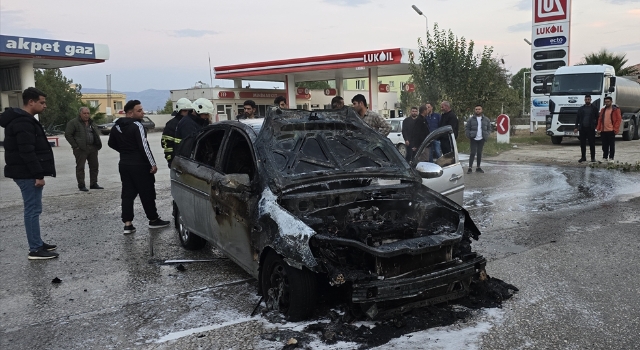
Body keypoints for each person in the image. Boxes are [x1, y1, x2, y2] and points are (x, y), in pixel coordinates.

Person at [0, 87, 58, 259]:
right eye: (42, 102)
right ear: (30, 102)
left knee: (35, 208)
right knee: (32, 210)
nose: (45, 106)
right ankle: (35, 249)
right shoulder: (23, 122)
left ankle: (38, 242)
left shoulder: (24, 120)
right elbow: (27, 152)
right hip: (27, 173)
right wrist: (38, 175)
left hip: (26, 172)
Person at [108, 100, 170, 234]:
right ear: (130, 113)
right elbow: (144, 146)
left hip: (124, 164)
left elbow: (111, 143)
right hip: (140, 165)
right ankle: (153, 220)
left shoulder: (116, 126)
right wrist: (152, 163)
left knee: (127, 194)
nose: (143, 113)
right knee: (146, 192)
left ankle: (128, 224)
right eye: (139, 111)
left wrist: (125, 151)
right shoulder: (137, 126)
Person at [64, 106, 103, 191]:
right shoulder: (73, 122)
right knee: (80, 167)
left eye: (88, 113)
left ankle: (94, 183)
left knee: (94, 166)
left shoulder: (91, 123)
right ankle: (81, 185)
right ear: (80, 114)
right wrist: (75, 146)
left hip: (92, 147)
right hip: (81, 149)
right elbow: (68, 134)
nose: (86, 115)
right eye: (84, 113)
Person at [161, 98, 192, 167]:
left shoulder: (190, 123)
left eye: (189, 111)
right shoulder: (171, 124)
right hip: (177, 161)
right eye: (185, 110)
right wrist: (171, 160)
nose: (187, 113)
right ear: (179, 111)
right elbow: (167, 144)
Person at [465, 104, 491, 174]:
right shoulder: (471, 119)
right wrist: (469, 135)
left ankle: (478, 167)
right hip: (473, 138)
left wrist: (487, 134)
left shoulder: (486, 119)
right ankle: (470, 167)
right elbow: (467, 128)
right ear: (474, 110)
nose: (477, 110)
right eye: (476, 109)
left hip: (482, 138)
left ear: (481, 110)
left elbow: (489, 128)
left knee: (479, 153)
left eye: (479, 109)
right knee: (473, 152)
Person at [574, 94, 599, 163]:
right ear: (584, 100)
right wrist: (576, 127)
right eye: (586, 99)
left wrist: (597, 126)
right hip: (582, 128)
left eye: (588, 99)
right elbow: (577, 118)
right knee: (582, 143)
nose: (587, 100)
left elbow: (597, 118)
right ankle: (583, 157)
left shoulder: (594, 108)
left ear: (591, 100)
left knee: (592, 143)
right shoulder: (581, 109)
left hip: (591, 128)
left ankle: (593, 158)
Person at [596, 96, 622, 162]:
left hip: (611, 130)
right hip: (603, 130)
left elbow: (618, 120)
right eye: (606, 102)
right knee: (604, 145)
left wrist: (615, 129)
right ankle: (605, 157)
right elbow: (600, 119)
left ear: (611, 102)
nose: (607, 103)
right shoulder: (603, 110)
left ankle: (611, 158)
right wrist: (598, 128)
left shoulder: (615, 110)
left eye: (608, 102)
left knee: (611, 145)